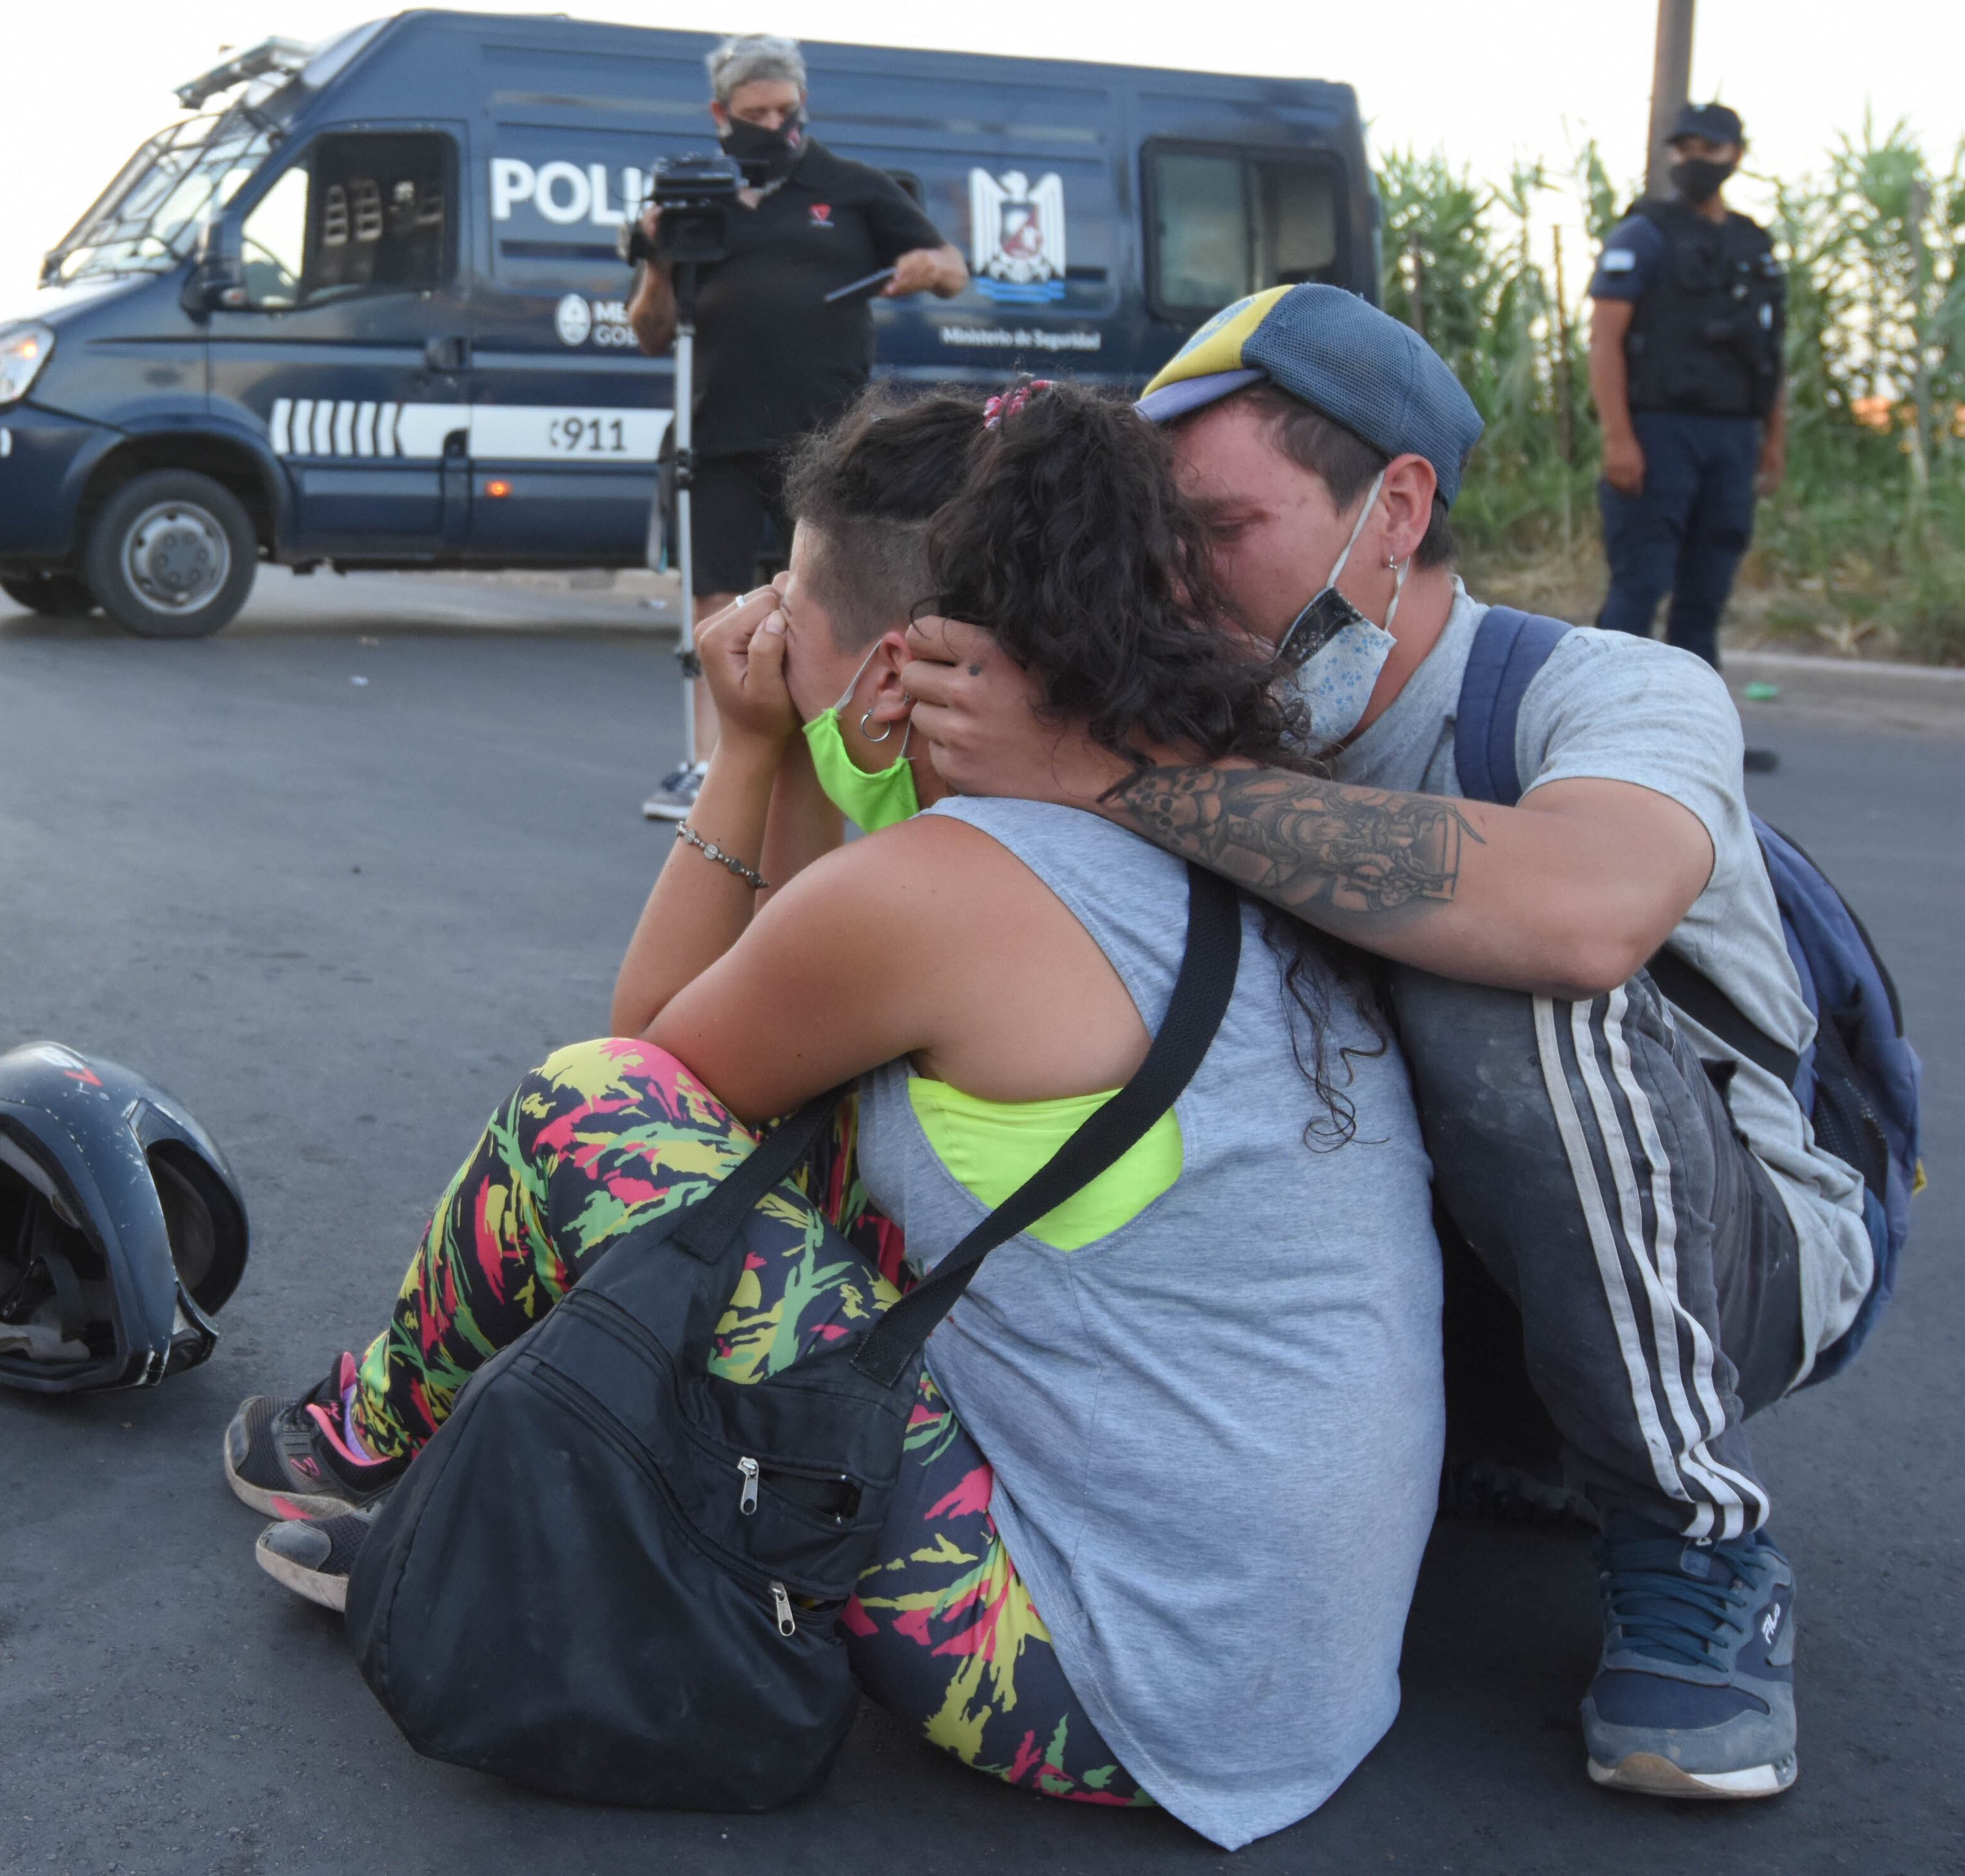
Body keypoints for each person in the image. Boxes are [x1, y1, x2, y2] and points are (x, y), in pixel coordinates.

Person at [228, 387, 1443, 1850]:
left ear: (895, 657)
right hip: (1278, 1672)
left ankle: (354, 1440)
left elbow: (646, 1088)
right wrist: (814, 745)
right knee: (800, 1188)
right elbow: (789, 1067)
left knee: (586, 1111)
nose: (758, 631)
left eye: (786, 608)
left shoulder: (943, 888)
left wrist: (748, 750)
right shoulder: (1194, 803)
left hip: (1096, 1682)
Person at [902, 285, 1852, 1801]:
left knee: (1494, 961)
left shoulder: (1606, 690)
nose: (1171, 580)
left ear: (1394, 507)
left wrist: (1115, 783)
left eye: (1216, 530)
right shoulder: (1187, 712)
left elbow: (1585, 910)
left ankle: (1693, 1530)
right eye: (1153, 539)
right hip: (1431, 1296)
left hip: (1724, 1268)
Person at [624, 32, 968, 820]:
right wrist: (655, 257)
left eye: (784, 109)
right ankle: (710, 768)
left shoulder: (847, 186)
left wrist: (928, 268)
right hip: (715, 433)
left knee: (821, 597)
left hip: (825, 441)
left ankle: (832, 757)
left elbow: (951, 267)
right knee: (714, 601)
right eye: (754, 112)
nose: (773, 124)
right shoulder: (692, 202)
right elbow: (649, 331)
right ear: (720, 114)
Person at [1588, 103, 1788, 668]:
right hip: (1659, 431)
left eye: (1710, 149)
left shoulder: (1756, 245)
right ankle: (1603, 722)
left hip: (1733, 436)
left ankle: (1699, 735)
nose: (1695, 160)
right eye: (1685, 148)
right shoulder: (1645, 233)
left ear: (1737, 155)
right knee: (1639, 586)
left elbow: (1771, 354)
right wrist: (1618, 438)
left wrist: (1774, 441)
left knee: (1706, 596)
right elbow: (1605, 340)